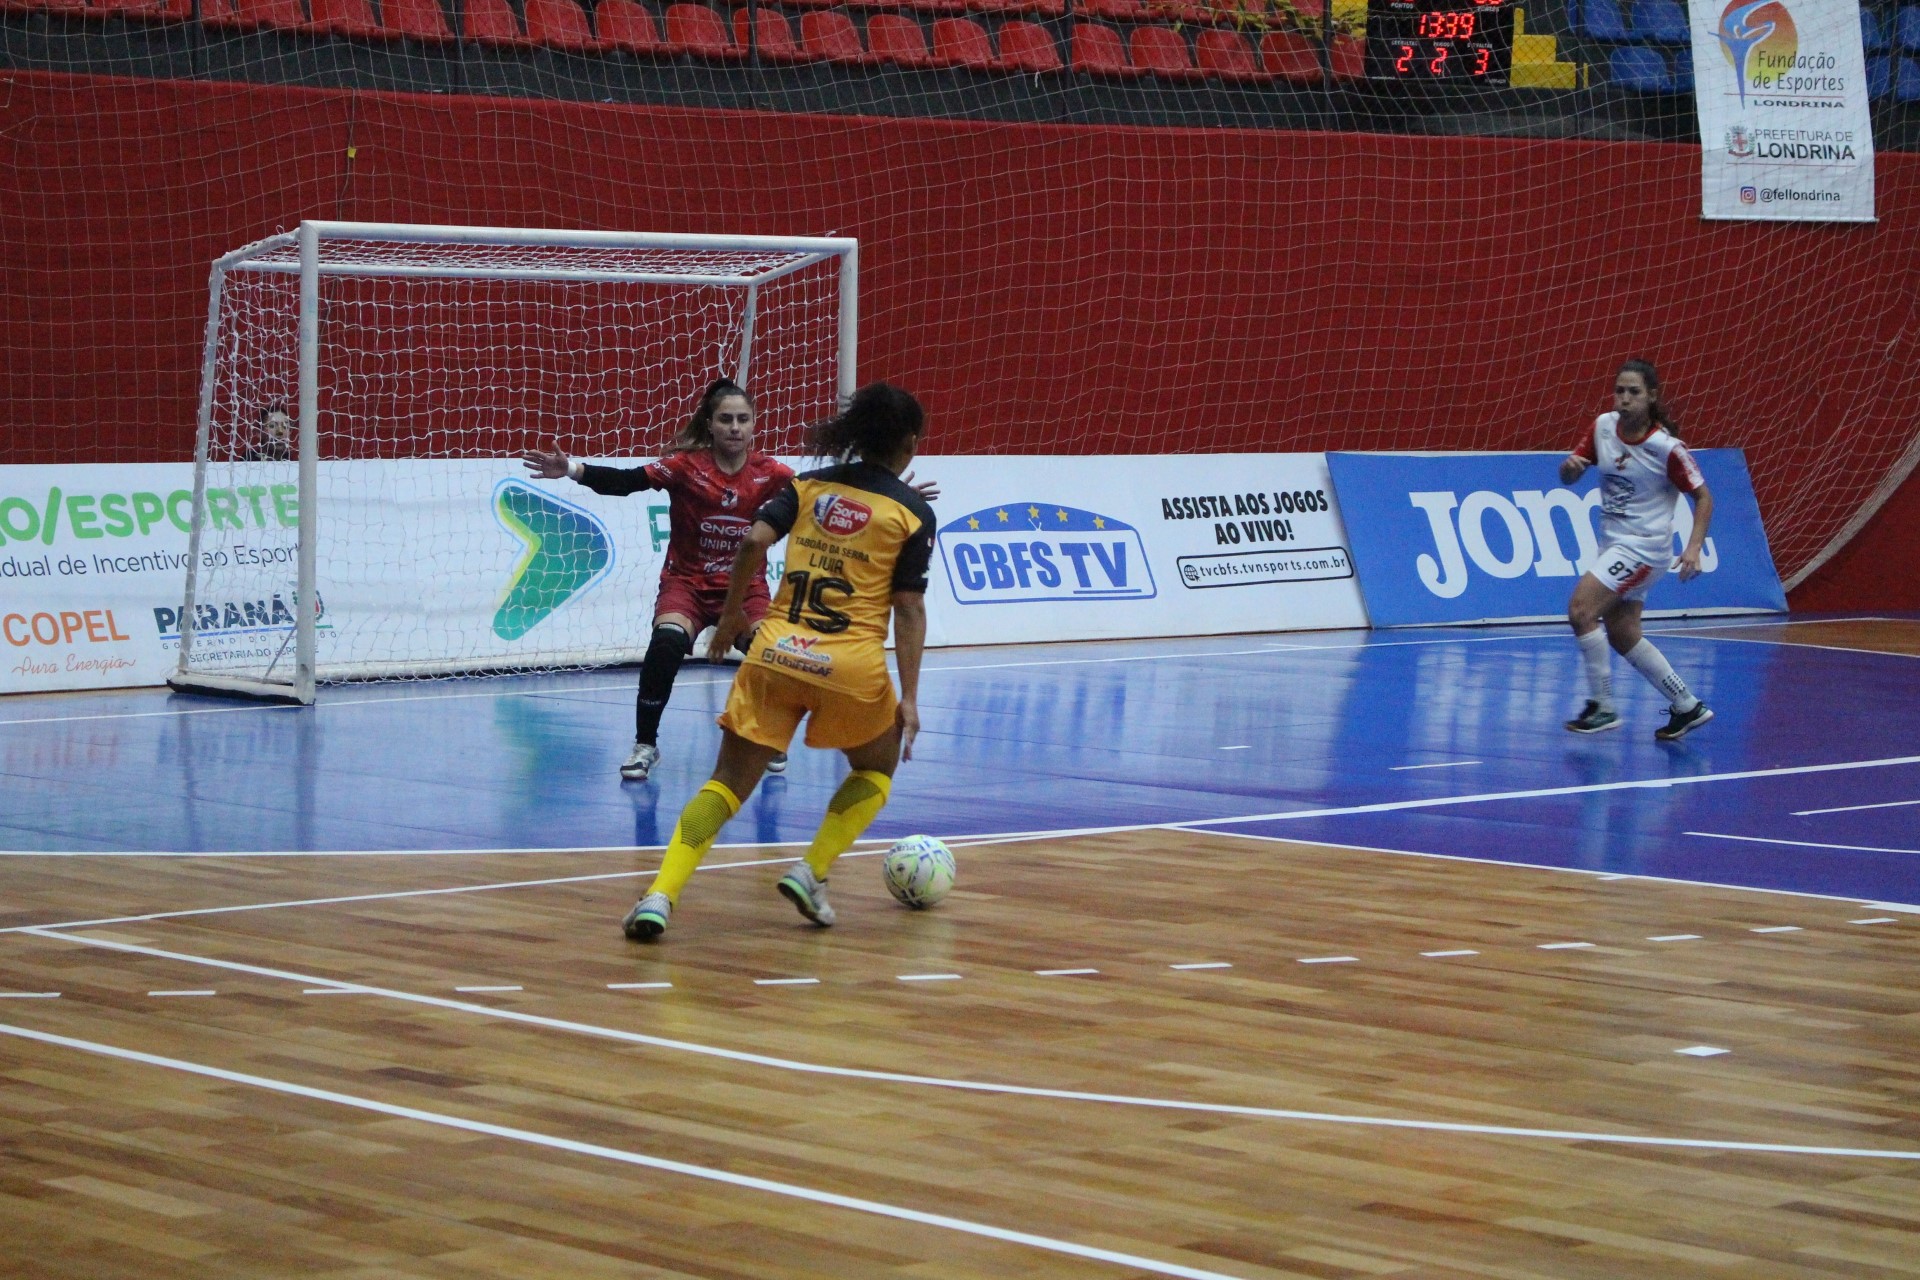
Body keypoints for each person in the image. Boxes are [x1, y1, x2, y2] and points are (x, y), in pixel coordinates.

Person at [621, 382, 935, 940]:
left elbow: (750, 543)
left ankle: (659, 896)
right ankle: (811, 871)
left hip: (776, 652)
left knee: (724, 785)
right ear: (909, 444)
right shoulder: (911, 513)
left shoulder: (807, 486)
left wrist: (735, 619)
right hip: (850, 668)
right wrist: (908, 698)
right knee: (874, 769)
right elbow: (908, 610)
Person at [522, 379, 794, 781]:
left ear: (754, 426)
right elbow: (627, 481)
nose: (735, 427)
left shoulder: (772, 473)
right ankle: (645, 744)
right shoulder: (686, 467)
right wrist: (572, 470)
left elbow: (822, 495)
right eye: (726, 420)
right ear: (711, 424)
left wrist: (888, 491)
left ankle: (765, 735)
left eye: (743, 420)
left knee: (769, 650)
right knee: (666, 644)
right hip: (687, 585)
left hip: (744, 589)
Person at [1560, 359, 1715, 741]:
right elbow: (1567, 474)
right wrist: (1572, 469)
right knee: (1622, 632)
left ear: (1652, 397)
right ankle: (1686, 705)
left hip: (1645, 548)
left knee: (1581, 611)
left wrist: (1693, 547)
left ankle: (1603, 705)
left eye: (1634, 392)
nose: (1624, 399)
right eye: (1620, 391)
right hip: (1614, 544)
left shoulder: (1666, 448)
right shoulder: (1603, 427)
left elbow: (1703, 497)